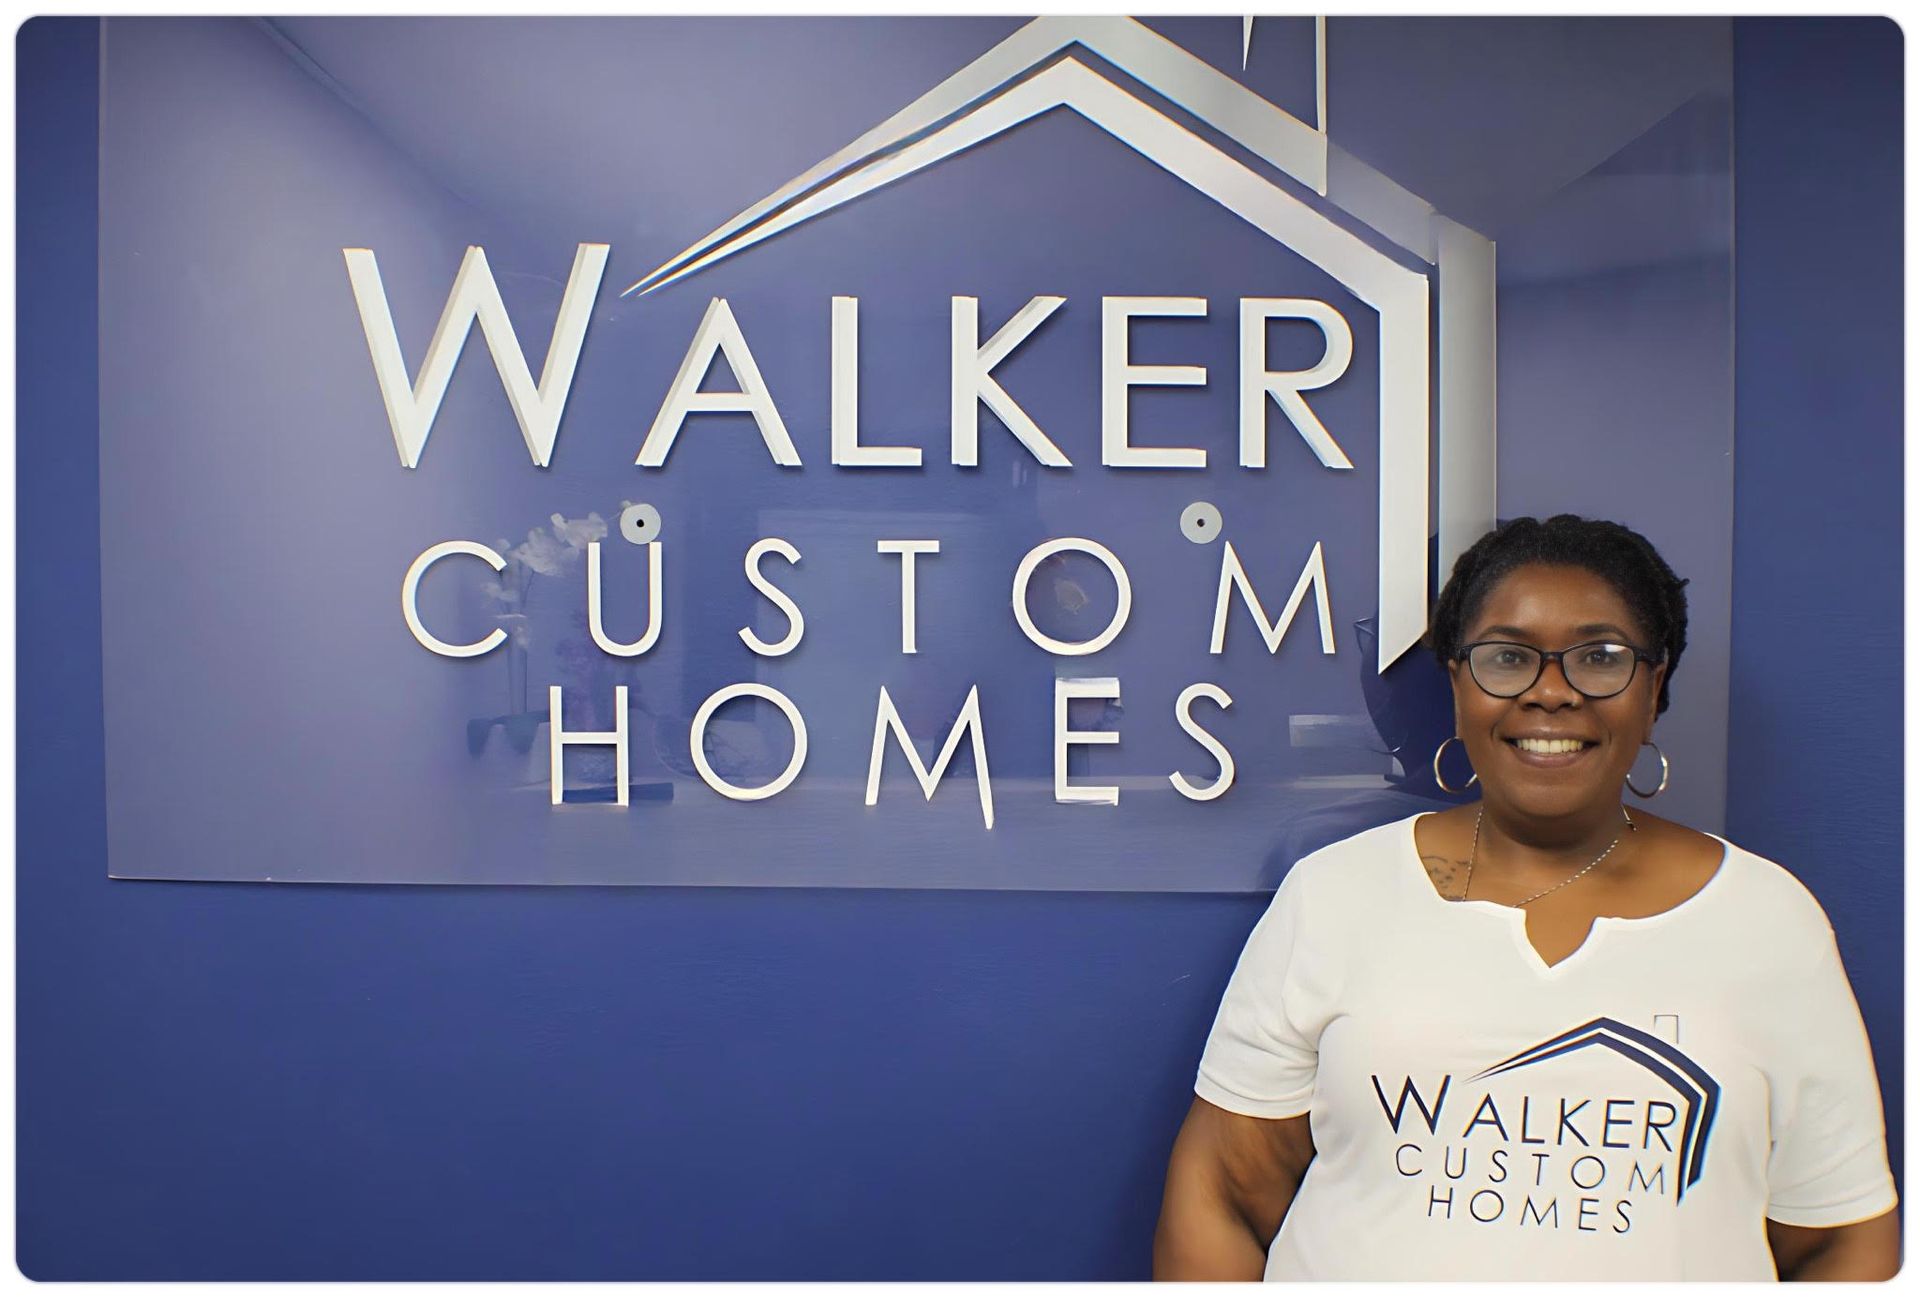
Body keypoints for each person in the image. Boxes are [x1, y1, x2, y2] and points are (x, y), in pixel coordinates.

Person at [1153, 515, 1898, 1281]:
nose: (1550, 693)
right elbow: (1224, 1194)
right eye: (1507, 658)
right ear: (1456, 683)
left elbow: (1839, 1240)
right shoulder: (1335, 894)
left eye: (1599, 658)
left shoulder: (1767, 921)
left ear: (1655, 683)